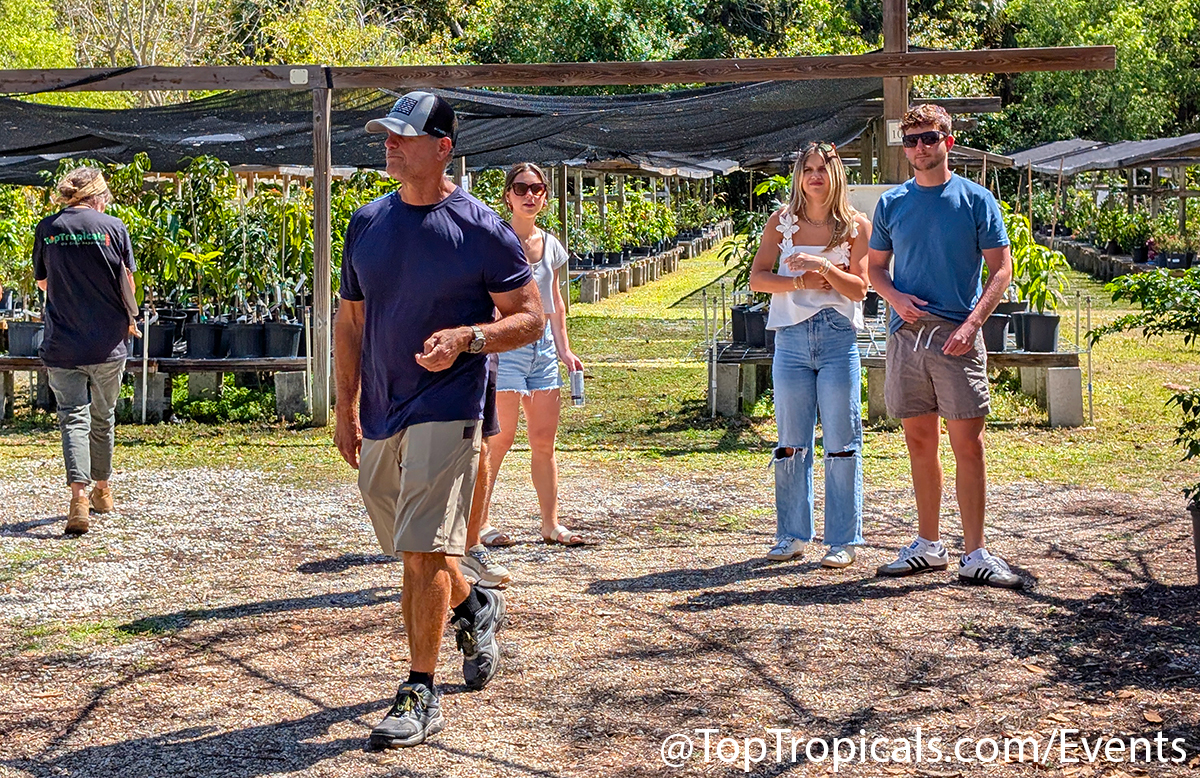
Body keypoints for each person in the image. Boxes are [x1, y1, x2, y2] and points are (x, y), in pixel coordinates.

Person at [333, 91, 543, 748]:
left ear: (442, 146)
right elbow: (351, 320)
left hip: (450, 408)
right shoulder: (366, 222)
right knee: (415, 544)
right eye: (385, 135)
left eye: (403, 135)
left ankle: (420, 692)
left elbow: (531, 316)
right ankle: (474, 604)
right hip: (381, 409)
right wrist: (343, 405)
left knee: (422, 550)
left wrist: (467, 339)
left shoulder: (482, 227)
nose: (389, 144)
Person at [866, 104, 1022, 589]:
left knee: (968, 447)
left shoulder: (976, 200)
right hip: (907, 337)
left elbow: (1001, 269)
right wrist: (893, 297)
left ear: (947, 142)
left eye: (928, 139)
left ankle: (976, 552)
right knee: (919, 443)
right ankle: (929, 546)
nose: (918, 148)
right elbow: (874, 269)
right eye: (910, 141)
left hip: (957, 335)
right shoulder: (892, 204)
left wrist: (973, 324)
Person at [748, 142, 871, 568]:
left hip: (838, 340)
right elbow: (758, 280)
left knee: (841, 441)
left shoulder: (856, 227)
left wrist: (822, 269)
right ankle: (792, 535)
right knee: (790, 443)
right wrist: (798, 284)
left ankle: (843, 540)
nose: (814, 176)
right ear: (799, 176)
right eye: (807, 169)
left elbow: (859, 289)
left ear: (836, 174)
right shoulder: (781, 223)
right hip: (792, 340)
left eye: (822, 168)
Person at [473, 163, 586, 551]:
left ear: (545, 196)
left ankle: (550, 525)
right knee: (498, 440)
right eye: (521, 188)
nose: (529, 195)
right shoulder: (495, 240)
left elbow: (554, 302)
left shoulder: (550, 245)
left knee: (543, 441)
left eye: (537, 188)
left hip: (543, 352)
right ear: (507, 195)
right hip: (505, 350)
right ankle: (480, 524)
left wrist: (565, 349)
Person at [34, 167, 138, 536]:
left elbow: (44, 281)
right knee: (103, 416)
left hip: (63, 341)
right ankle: (103, 491)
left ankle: (78, 498)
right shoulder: (114, 227)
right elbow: (129, 282)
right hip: (108, 342)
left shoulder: (49, 228)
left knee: (72, 417)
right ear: (96, 195)